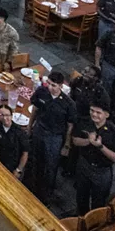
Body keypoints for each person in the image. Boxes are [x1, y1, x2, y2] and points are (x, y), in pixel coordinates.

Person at [27, 71, 75, 204]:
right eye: (49, 83)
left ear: (61, 86)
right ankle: (32, 187)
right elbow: (35, 109)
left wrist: (67, 145)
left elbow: (70, 126)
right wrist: (30, 127)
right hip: (39, 129)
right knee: (35, 160)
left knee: (51, 165)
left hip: (54, 137)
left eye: (54, 85)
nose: (50, 87)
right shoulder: (42, 92)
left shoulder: (68, 104)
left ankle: (47, 194)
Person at [72, 99, 115, 214]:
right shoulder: (84, 122)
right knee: (81, 197)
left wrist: (100, 146)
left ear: (106, 115)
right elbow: (75, 141)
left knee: (99, 202)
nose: (94, 114)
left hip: (102, 171)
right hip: (84, 165)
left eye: (98, 112)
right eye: (92, 110)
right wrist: (89, 141)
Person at [0, 104, 29, 181]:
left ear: (11, 116)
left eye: (7, 115)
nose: (5, 118)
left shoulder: (19, 132)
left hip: (12, 166)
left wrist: (18, 170)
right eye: (1, 115)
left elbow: (25, 154)